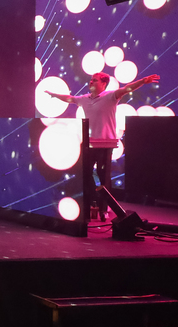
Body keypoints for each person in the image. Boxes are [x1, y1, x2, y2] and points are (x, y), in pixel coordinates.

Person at [47, 71, 160, 221]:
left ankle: (103, 208)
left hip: (106, 144)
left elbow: (127, 88)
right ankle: (91, 204)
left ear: (104, 84)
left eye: (95, 80)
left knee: (103, 177)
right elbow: (69, 98)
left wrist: (143, 81)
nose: (91, 82)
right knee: (86, 174)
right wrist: (54, 95)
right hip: (89, 143)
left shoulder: (110, 96)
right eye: (91, 80)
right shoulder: (84, 99)